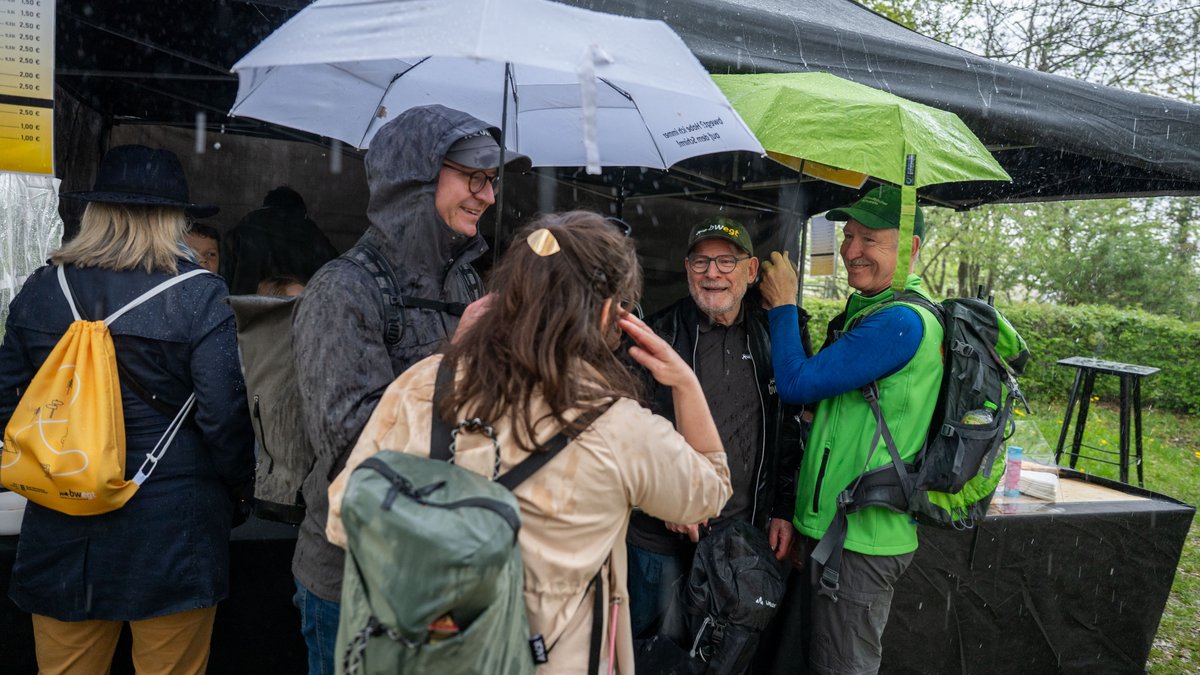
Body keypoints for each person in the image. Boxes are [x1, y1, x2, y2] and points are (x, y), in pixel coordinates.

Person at [326, 211, 734, 674]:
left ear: (508, 294)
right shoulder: (620, 427)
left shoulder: (425, 382)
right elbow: (709, 492)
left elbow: (343, 517)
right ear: (606, 312)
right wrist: (685, 382)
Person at [289, 104, 531, 675]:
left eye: (491, 180)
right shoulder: (341, 291)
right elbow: (351, 444)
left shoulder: (468, 276)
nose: (488, 196)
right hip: (355, 576)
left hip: (448, 568)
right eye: (472, 176)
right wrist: (455, 355)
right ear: (415, 179)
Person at [0, 144, 254, 674]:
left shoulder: (43, 288)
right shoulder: (200, 297)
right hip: (173, 529)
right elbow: (223, 417)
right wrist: (237, 492)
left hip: (61, 517)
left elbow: (9, 400)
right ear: (174, 219)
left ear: (94, 212)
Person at [758, 185, 944, 675]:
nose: (850, 250)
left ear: (911, 249)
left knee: (842, 666)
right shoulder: (870, 312)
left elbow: (797, 384)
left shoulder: (900, 321)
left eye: (870, 240)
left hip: (862, 541)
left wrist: (782, 305)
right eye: (848, 235)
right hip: (838, 531)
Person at [625, 216, 807, 638]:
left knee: (723, 655)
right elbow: (630, 429)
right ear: (687, 269)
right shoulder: (657, 333)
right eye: (701, 262)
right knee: (647, 653)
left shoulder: (773, 337)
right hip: (659, 540)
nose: (713, 274)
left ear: (751, 271)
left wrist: (782, 508)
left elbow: (786, 428)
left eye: (727, 261)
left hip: (742, 538)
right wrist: (667, 495)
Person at [220, 185, 338, 294]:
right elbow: (334, 275)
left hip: (248, 308)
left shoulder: (242, 231)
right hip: (297, 307)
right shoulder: (311, 233)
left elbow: (225, 278)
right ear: (302, 212)